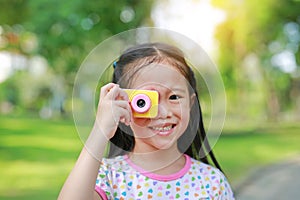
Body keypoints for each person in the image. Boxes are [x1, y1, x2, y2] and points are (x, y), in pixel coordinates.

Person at [58, 42, 235, 199]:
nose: (163, 112)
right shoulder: (108, 176)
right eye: (145, 101)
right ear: (123, 103)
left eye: (174, 97)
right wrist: (100, 130)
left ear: (191, 103)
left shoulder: (212, 182)